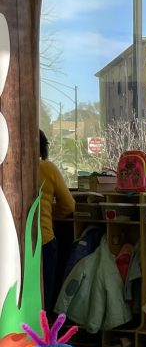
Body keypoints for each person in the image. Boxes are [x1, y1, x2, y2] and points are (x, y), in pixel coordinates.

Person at [39, 130, 76, 313]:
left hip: (10, 243)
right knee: (44, 295)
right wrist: (47, 212)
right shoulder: (47, 168)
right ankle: (43, 325)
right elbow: (69, 206)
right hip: (43, 240)